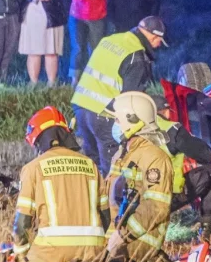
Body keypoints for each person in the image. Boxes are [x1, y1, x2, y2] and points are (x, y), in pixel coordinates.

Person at [11, 106, 109, 262]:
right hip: (92, 249)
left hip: (52, 248)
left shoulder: (33, 168)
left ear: (39, 140)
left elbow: (22, 223)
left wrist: (21, 257)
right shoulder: (91, 165)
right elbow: (105, 216)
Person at [70, 15, 168, 175]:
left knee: (93, 167)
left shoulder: (111, 40)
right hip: (104, 115)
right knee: (113, 170)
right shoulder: (137, 56)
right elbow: (131, 100)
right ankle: (111, 199)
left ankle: (93, 198)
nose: (158, 46)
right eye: (159, 42)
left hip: (81, 106)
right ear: (154, 36)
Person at [104, 92, 174, 262]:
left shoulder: (154, 157)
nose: (114, 125)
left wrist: (123, 235)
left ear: (133, 121)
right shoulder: (123, 155)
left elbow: (156, 208)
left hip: (136, 250)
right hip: (116, 245)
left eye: (117, 120)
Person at [152, 95, 211, 242]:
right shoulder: (170, 129)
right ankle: (207, 233)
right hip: (169, 195)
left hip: (145, 201)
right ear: (165, 111)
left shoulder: (136, 132)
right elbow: (205, 155)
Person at [18, 0, 66, 86]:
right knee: (33, 51)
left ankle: (52, 83)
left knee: (51, 51)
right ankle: (34, 82)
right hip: (32, 17)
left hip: (51, 17)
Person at [68, 0, 110, 84]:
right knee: (78, 48)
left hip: (97, 16)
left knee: (96, 48)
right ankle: (75, 79)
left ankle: (94, 78)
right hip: (77, 15)